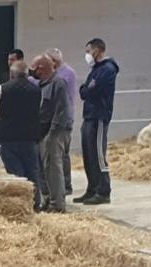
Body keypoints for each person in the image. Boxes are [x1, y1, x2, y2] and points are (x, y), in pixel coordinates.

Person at [0, 61, 44, 211]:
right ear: (27, 74)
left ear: (12, 74)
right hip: (30, 137)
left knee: (15, 172)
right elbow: (38, 111)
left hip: (9, 137)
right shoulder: (36, 90)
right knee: (32, 171)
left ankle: (20, 204)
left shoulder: (3, 88)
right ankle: (35, 203)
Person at [78, 38, 119, 205]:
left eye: (89, 51)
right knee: (88, 155)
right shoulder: (95, 70)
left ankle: (103, 191)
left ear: (98, 50)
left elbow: (92, 91)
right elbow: (83, 91)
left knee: (99, 155)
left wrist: (87, 89)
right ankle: (92, 188)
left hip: (100, 116)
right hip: (89, 115)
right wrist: (87, 88)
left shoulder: (107, 69)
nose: (87, 55)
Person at [33, 54, 72, 213]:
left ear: (41, 69)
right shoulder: (43, 84)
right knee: (44, 169)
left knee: (53, 168)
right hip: (44, 133)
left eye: (34, 68)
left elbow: (62, 111)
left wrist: (52, 134)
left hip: (55, 133)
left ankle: (58, 204)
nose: (32, 71)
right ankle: (49, 199)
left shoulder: (58, 83)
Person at [47, 48, 77, 195]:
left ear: (55, 62)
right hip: (60, 117)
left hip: (64, 118)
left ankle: (65, 185)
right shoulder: (58, 74)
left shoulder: (65, 74)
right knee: (61, 154)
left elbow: (65, 99)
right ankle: (63, 184)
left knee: (61, 154)